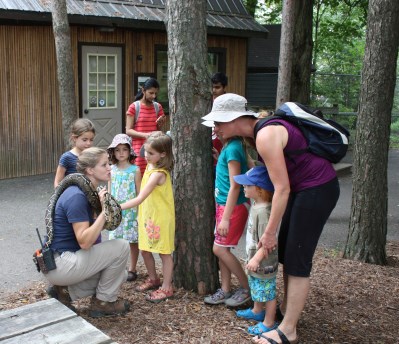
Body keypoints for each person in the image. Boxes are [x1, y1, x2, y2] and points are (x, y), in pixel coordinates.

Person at [202, 93, 339, 344]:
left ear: (235, 118)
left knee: (297, 259)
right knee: (288, 253)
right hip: (304, 189)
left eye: (218, 122)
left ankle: (288, 330)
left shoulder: (265, 135)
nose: (216, 128)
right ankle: (286, 313)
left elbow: (282, 188)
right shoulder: (254, 136)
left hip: (317, 189)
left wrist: (268, 232)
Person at [45, 147, 130, 318]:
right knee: (122, 246)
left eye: (109, 163)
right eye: (104, 164)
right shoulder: (77, 196)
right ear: (90, 170)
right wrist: (104, 212)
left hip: (60, 263)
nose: (109, 167)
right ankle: (103, 303)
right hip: (61, 263)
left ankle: (65, 292)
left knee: (120, 274)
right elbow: (84, 242)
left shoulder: (84, 191)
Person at [120, 131, 175, 303]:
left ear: (163, 154)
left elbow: (140, 198)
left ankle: (167, 287)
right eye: (145, 151)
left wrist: (117, 207)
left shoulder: (159, 173)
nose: (145, 155)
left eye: (151, 153)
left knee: (164, 253)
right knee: (145, 249)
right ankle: (153, 278)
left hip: (160, 218)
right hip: (148, 216)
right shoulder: (151, 166)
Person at [202, 129, 251, 307]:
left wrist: (225, 218)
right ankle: (225, 288)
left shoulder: (233, 148)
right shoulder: (231, 147)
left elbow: (235, 185)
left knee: (219, 250)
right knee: (223, 248)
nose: (215, 129)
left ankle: (247, 288)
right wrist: (218, 158)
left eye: (219, 125)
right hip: (225, 206)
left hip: (232, 208)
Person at [234, 166, 278, 336]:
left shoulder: (264, 213)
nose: (244, 187)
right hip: (256, 260)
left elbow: (267, 243)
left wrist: (256, 259)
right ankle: (257, 311)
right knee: (257, 287)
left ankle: (269, 322)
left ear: (259, 189)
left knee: (268, 292)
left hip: (264, 262)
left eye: (247, 185)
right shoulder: (256, 204)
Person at [107, 134, 142, 282]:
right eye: (117, 150)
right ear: (113, 152)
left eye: (124, 149)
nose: (121, 153)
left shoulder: (135, 170)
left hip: (131, 211)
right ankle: (117, 268)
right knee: (116, 240)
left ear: (130, 151)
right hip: (116, 212)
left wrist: (140, 213)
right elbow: (109, 191)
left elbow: (140, 193)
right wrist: (107, 209)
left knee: (133, 241)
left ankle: (132, 268)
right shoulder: (111, 170)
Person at [125, 78, 166, 175]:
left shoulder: (158, 107)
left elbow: (158, 130)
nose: (154, 96)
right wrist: (145, 135)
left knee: (152, 174)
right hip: (138, 150)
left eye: (156, 93)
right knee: (139, 175)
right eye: (151, 93)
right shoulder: (134, 107)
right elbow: (128, 130)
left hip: (154, 149)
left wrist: (160, 124)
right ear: (143, 90)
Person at [54, 118, 95, 188]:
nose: (88, 143)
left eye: (91, 140)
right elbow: (57, 182)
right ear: (74, 138)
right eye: (84, 140)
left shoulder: (92, 156)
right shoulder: (66, 157)